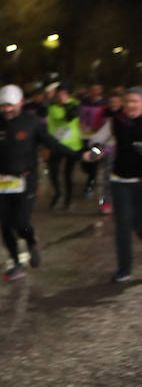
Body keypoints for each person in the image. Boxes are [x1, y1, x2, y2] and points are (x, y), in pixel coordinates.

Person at [0, 84, 84, 281]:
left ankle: (32, 242)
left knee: (21, 222)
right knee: (5, 226)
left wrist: (78, 155)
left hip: (25, 179)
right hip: (0, 181)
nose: (7, 110)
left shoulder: (31, 121)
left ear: (20, 103)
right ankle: (16, 263)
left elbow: (52, 143)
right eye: (3, 106)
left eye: (11, 106)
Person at [83, 87, 142, 282]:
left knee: (139, 225)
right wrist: (95, 151)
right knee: (123, 225)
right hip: (120, 180)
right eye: (128, 101)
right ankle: (124, 268)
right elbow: (97, 140)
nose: (131, 105)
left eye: (135, 101)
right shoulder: (117, 121)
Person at [46, 85, 83, 209]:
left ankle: (68, 198)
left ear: (68, 94)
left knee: (68, 174)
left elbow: (70, 117)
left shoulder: (75, 103)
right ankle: (57, 193)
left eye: (64, 93)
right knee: (53, 171)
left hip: (72, 144)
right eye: (60, 93)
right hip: (56, 144)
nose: (62, 95)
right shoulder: (52, 106)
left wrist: (66, 103)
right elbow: (53, 120)